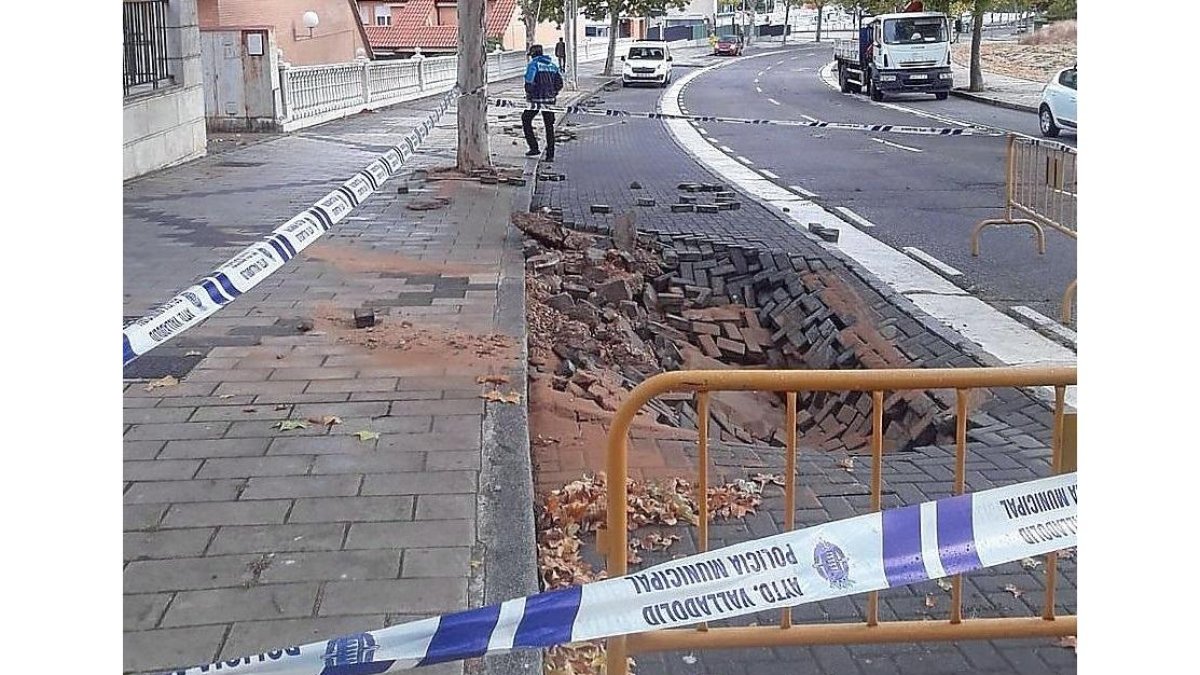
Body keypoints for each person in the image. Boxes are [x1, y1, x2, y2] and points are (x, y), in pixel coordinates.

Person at [522, 44, 564, 162]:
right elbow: (560, 83)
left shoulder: (533, 65)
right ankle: (550, 155)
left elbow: (529, 82)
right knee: (549, 127)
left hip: (535, 100)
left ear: (534, 54)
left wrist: (530, 94)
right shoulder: (553, 66)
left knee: (526, 119)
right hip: (550, 101)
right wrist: (553, 93)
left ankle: (534, 147)